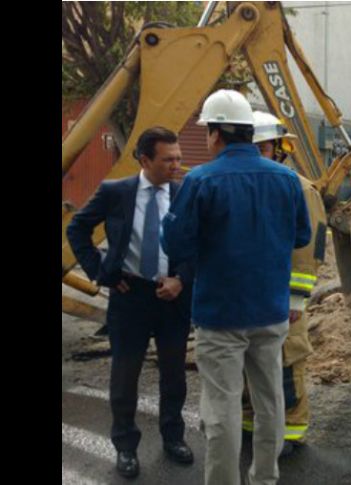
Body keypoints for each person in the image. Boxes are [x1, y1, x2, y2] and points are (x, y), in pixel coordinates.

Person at [161, 90, 312, 485]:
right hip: (271, 312)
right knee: (270, 401)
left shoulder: (200, 179)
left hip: (220, 314)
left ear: (215, 134)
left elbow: (175, 245)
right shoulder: (288, 179)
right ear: (248, 131)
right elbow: (301, 236)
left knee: (223, 408)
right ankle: (265, 478)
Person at [67, 127, 194, 478]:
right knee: (124, 376)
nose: (176, 165)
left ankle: (173, 438)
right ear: (144, 160)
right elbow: (77, 228)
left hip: (173, 299)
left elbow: (197, 243)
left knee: (174, 375)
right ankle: (125, 446)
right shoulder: (115, 192)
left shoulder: (184, 194)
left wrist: (181, 279)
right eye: (168, 159)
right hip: (130, 297)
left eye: (179, 158)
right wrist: (102, 272)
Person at [241, 111, 327, 456]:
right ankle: (252, 425)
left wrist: (296, 298)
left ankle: (290, 432)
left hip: (283, 298)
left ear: (278, 149)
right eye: (252, 147)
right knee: (250, 366)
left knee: (287, 365)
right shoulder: (245, 184)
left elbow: (309, 249)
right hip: (248, 296)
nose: (257, 153)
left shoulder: (300, 189)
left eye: (263, 147)